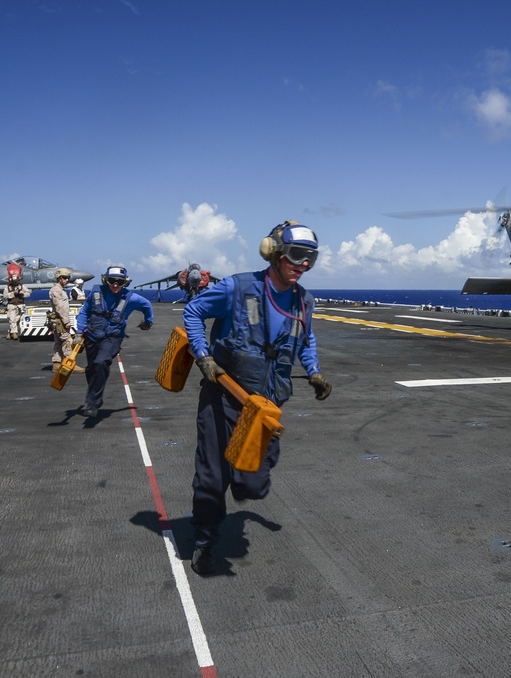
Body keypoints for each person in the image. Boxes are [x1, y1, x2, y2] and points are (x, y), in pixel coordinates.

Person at [183, 220, 332, 576]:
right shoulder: (236, 287)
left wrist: (313, 371)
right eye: (297, 255)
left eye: (311, 257)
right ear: (275, 253)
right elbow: (193, 312)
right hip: (224, 396)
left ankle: (242, 478)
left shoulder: (304, 301)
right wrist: (202, 355)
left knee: (253, 485)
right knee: (211, 477)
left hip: (266, 406)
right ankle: (205, 543)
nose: (303, 264)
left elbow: (305, 338)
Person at [75, 265, 154, 418]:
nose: (116, 285)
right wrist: (79, 332)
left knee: (101, 362)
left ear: (126, 282)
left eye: (120, 282)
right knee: (92, 369)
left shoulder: (130, 298)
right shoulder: (95, 293)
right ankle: (94, 395)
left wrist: (148, 322)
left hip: (112, 338)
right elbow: (84, 312)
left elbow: (147, 305)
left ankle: (93, 403)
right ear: (106, 280)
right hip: (91, 337)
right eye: (112, 281)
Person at [48, 268, 80, 370]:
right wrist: (66, 321)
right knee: (67, 341)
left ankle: (57, 363)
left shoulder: (60, 290)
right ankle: (70, 364)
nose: (67, 280)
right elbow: (59, 307)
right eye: (65, 278)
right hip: (60, 321)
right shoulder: (56, 291)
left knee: (58, 341)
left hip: (59, 320)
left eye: (68, 278)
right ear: (59, 278)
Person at [3, 265, 31, 340]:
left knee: (18, 319)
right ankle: (15, 333)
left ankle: (10, 331)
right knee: (12, 319)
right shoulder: (7, 287)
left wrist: (22, 293)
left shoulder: (22, 287)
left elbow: (28, 293)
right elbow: (5, 296)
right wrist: (13, 294)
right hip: (12, 305)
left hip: (21, 305)